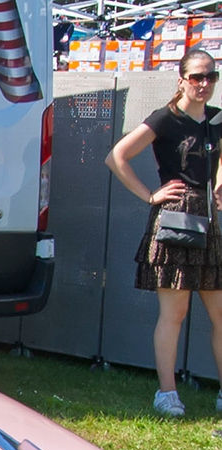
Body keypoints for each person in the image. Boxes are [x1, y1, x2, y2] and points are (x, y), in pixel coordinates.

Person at [106, 46, 222, 417]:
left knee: (220, 312)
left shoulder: (218, 120)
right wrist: (150, 195)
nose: (204, 84)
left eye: (210, 76)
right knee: (175, 312)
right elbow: (117, 157)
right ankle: (167, 393)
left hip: (211, 222)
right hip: (175, 220)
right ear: (182, 81)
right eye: (197, 77)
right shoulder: (166, 118)